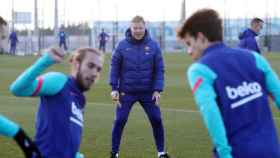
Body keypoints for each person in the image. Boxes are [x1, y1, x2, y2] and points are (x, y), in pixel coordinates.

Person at [177, 8, 280, 158]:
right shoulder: (255, 58)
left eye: (189, 43)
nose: (189, 51)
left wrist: (224, 154)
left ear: (200, 37)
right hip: (270, 150)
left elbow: (211, 114)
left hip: (237, 152)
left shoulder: (199, 70)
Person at [10, 47, 104, 158]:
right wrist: (45, 61)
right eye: (90, 66)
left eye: (98, 69)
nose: (94, 73)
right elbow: (18, 89)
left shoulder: (80, 100)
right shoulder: (59, 82)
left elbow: (65, 139)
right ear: (76, 64)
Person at [109, 15, 169, 158]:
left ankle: (161, 153)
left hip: (148, 93)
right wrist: (114, 89)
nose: (137, 31)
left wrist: (157, 90)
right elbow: (114, 67)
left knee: (157, 119)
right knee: (120, 120)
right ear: (130, 28)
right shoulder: (122, 45)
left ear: (144, 27)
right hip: (126, 92)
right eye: (135, 28)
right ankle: (114, 153)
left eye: (140, 28)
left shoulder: (153, 46)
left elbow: (159, 69)